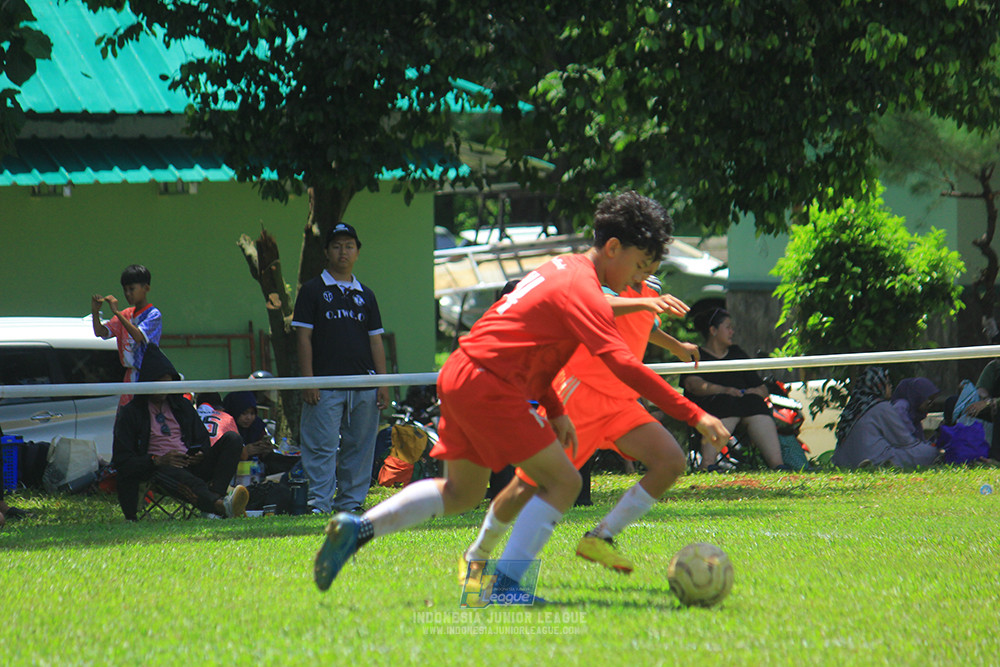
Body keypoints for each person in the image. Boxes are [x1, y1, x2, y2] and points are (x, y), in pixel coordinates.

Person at [312, 191, 730, 595]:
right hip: (492, 385)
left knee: (463, 493)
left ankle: (358, 528)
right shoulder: (584, 288)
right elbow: (622, 364)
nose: (640, 279)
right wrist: (696, 415)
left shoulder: (559, 268)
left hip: (462, 374)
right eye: (639, 266)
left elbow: (529, 348)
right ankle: (508, 587)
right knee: (563, 481)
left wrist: (553, 406)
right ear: (614, 247)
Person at [458, 260, 701, 581]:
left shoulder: (647, 291)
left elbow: (648, 326)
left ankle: (600, 537)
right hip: (578, 396)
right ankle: (479, 554)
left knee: (670, 461)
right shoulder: (604, 280)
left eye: (654, 259)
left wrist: (679, 348)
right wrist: (645, 300)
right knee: (528, 487)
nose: (648, 266)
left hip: (618, 402)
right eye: (644, 259)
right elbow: (601, 305)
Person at [292, 222, 389, 514]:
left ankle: (350, 505)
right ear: (326, 252)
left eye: (349, 246)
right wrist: (308, 381)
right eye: (337, 246)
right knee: (321, 448)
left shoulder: (366, 295)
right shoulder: (311, 291)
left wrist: (383, 383)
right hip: (325, 386)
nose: (343, 252)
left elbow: (376, 342)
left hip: (364, 386)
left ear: (357, 251)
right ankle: (319, 506)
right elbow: (303, 338)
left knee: (359, 448)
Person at [111, 344, 248, 521]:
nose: (163, 390)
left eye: (167, 384)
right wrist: (157, 460)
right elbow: (122, 460)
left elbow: (202, 439)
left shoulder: (181, 406)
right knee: (182, 477)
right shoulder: (132, 413)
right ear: (148, 383)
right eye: (158, 384)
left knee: (233, 439)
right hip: (156, 468)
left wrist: (199, 454)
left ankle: (213, 504)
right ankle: (220, 506)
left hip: (189, 463)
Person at [680, 308, 784, 470]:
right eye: (728, 327)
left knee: (757, 405)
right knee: (725, 403)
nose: (732, 332)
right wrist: (724, 390)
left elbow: (761, 388)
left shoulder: (737, 354)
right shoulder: (697, 355)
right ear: (713, 330)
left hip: (743, 407)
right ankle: (707, 464)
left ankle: (778, 465)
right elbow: (692, 384)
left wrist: (753, 392)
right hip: (709, 410)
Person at [831, 367, 940, 469]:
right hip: (873, 457)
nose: (891, 386)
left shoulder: (854, 407)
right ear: (879, 384)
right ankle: (882, 464)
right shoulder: (881, 407)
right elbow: (904, 441)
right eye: (887, 383)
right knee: (928, 452)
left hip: (843, 460)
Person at [91, 264, 163, 407]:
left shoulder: (153, 315)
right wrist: (95, 312)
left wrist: (116, 312)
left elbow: (138, 336)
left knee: (144, 418)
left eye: (132, 289)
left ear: (146, 288)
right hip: (129, 377)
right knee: (127, 419)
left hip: (148, 376)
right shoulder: (126, 314)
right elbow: (101, 332)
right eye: (125, 290)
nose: (128, 294)